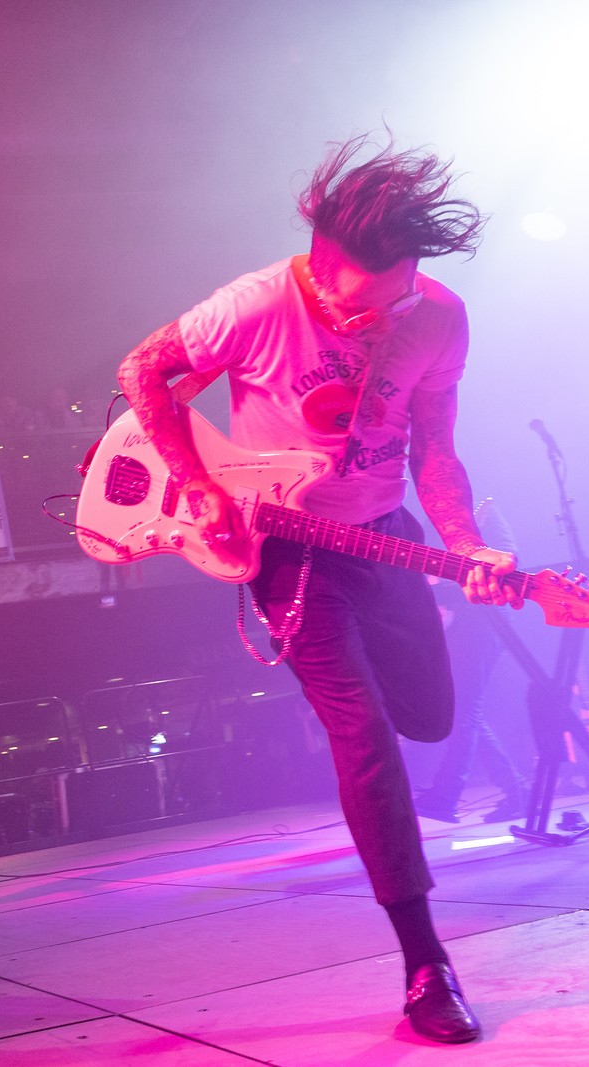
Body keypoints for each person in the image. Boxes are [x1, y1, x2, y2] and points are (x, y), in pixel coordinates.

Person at [115, 134, 520, 1045]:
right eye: (369, 304)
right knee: (364, 734)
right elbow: (141, 370)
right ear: (324, 267)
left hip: (384, 535)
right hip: (291, 552)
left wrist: (464, 544)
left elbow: (436, 447)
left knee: (429, 717)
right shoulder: (254, 305)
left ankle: (418, 927)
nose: (386, 316)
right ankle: (426, 965)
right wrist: (200, 486)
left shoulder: (439, 316)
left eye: (401, 295)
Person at [415, 499, 528, 824]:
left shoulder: (485, 510)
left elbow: (508, 558)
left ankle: (446, 795)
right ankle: (517, 791)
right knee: (466, 711)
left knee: (465, 710)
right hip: (456, 624)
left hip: (484, 620)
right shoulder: (428, 518)